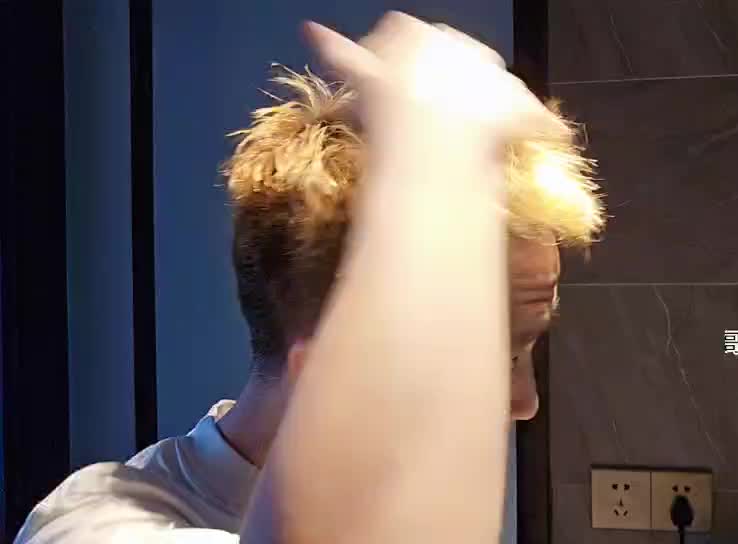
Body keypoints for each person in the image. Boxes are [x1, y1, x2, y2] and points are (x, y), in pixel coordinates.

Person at [15, 13, 604, 544]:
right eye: (500, 357)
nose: (526, 403)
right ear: (333, 358)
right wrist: (438, 149)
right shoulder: (96, 527)